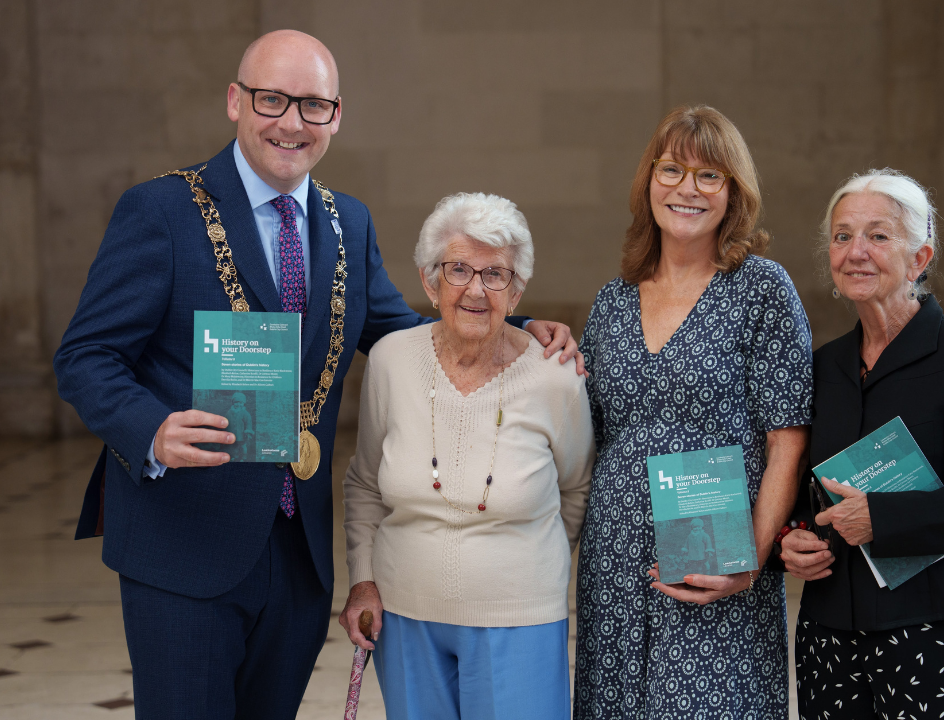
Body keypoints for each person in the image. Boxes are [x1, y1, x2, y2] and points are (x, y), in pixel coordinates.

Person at [52, 30, 581, 720]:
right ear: (235, 101)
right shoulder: (163, 211)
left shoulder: (345, 222)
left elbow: (399, 330)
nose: (292, 122)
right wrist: (151, 429)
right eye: (272, 99)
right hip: (185, 543)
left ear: (336, 117)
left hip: (296, 555)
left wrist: (513, 320)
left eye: (313, 105)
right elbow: (86, 355)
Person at [573, 105, 813, 718]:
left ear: (734, 193)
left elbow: (787, 443)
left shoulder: (761, 289)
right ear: (648, 180)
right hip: (615, 563)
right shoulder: (612, 300)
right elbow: (586, 433)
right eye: (672, 170)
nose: (688, 189)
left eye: (710, 176)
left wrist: (750, 563)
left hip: (717, 559)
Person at [780, 169, 944, 720]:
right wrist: (789, 538)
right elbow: (799, 492)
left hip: (929, 632)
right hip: (827, 634)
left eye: (878, 236)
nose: (856, 252)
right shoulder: (821, 367)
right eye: (843, 236)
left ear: (920, 258)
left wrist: (883, 518)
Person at [338, 192, 595, 720]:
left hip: (520, 618)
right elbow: (363, 484)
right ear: (430, 281)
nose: (476, 289)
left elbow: (577, 487)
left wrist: (527, 565)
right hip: (404, 616)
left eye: (495, 274)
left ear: (517, 290)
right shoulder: (390, 360)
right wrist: (362, 578)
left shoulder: (555, 376)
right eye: (458, 269)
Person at [225, 392, 255, 460]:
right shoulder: (229, 412)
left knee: (243, 446)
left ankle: (244, 456)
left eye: (240, 403)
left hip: (242, 434)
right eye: (236, 402)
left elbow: (248, 423)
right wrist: (226, 428)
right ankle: (235, 456)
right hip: (233, 433)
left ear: (243, 403)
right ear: (233, 403)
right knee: (234, 446)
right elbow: (226, 420)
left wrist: (248, 431)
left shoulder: (245, 413)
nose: (238, 404)